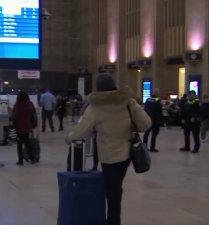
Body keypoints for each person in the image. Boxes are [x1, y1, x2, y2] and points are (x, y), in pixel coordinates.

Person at [65, 74, 151, 225]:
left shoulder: (96, 107)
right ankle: (110, 220)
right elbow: (146, 123)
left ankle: (113, 221)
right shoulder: (128, 102)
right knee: (114, 188)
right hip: (126, 154)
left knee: (113, 192)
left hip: (108, 156)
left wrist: (69, 138)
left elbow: (82, 129)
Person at [10, 91, 37, 165]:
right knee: (28, 143)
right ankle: (32, 158)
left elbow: (14, 116)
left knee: (19, 144)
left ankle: (20, 160)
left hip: (19, 127)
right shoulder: (30, 104)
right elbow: (33, 113)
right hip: (28, 126)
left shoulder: (18, 105)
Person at [143, 88, 163, 152]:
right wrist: (160, 120)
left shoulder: (148, 99)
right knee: (154, 134)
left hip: (148, 118)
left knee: (146, 134)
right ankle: (152, 147)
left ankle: (144, 147)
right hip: (155, 119)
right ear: (157, 93)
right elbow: (159, 111)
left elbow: (145, 109)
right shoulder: (158, 100)